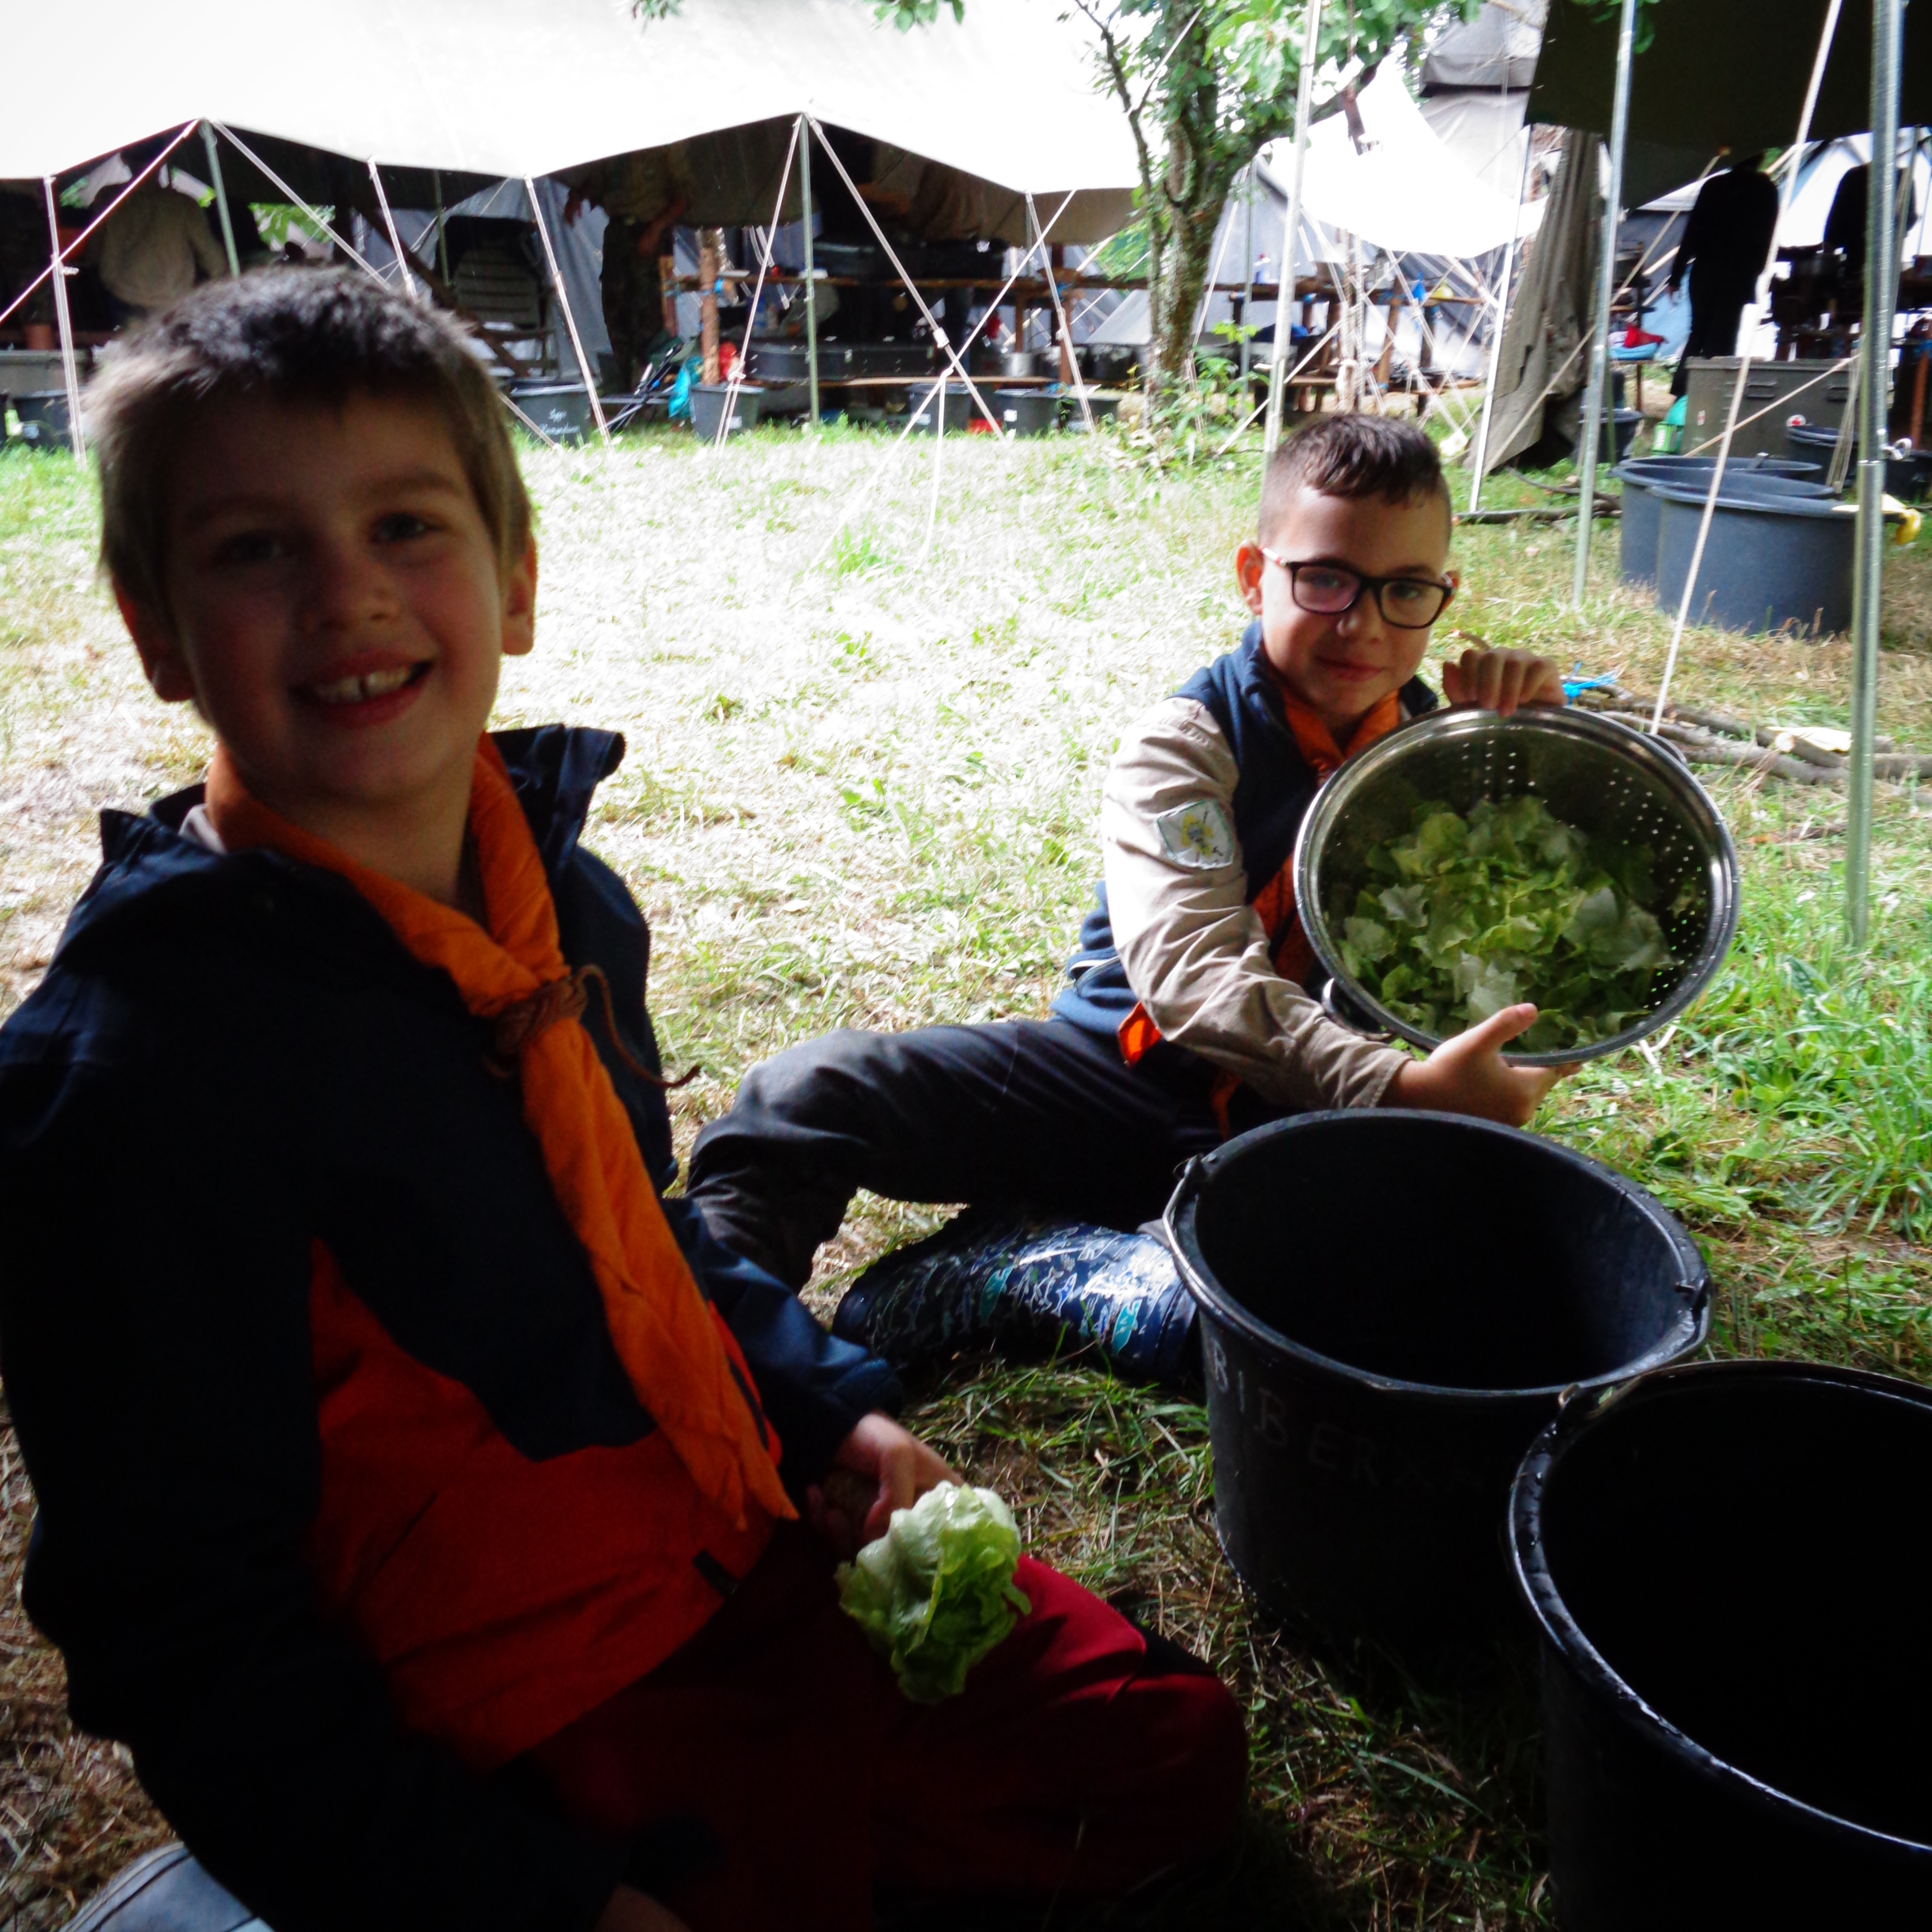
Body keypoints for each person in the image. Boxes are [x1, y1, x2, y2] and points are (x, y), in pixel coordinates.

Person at [0, 270, 1244, 1932]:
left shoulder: (565, 908)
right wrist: (516, 1892)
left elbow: (636, 1235)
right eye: (251, 549)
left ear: (513, 581)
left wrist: (828, 1411)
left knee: (1165, 1749)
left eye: (404, 526)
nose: (347, 599)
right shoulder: (130, 1078)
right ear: (155, 629)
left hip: (730, 1519)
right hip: (506, 1686)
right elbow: (180, 1624)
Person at [684, 414, 1572, 1304]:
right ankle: (713, 1344)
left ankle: (1042, 1267)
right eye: (1325, 579)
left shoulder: (1439, 752)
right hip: (1118, 1080)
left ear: (1442, 593)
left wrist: (1529, 744)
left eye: (1404, 589)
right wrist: (1399, 1087)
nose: (1363, 625)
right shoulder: (1184, 743)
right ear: (1253, 577)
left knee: (1467, 1273)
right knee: (812, 1090)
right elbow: (1191, 973)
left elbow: (1545, 926)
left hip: (1306, 1123)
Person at [564, 150, 692, 390]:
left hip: (651, 233)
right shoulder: (617, 139)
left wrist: (655, 230)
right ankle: (626, 389)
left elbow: (684, 198)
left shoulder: (665, 142)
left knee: (649, 317)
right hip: (618, 234)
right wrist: (578, 196)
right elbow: (599, 178)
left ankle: (650, 390)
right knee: (616, 313)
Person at [1668, 152, 1778, 396]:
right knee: (1722, 337)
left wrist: (1675, 276)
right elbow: (1768, 236)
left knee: (1699, 333)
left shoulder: (1714, 187)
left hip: (1705, 272)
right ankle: (1709, 396)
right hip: (1737, 274)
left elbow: (1692, 233)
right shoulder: (1765, 189)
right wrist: (1760, 269)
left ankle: (1683, 392)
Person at [90, 171, 229, 324]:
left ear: (124, 158)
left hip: (127, 300)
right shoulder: (181, 204)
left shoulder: (111, 199)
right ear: (161, 162)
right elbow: (215, 262)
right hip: (172, 302)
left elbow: (95, 255)